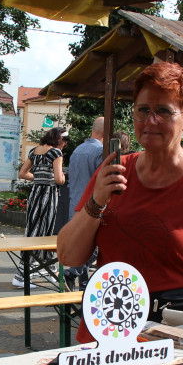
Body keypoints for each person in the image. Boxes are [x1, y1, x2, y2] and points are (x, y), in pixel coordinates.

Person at [57, 62, 183, 340]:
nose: (150, 121)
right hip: (108, 323)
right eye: (143, 110)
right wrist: (97, 200)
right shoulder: (114, 171)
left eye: (164, 111)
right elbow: (68, 256)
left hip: (173, 332)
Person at [13, 127, 66, 288]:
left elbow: (22, 173)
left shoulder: (34, 151)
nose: (66, 144)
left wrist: (39, 178)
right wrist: (63, 178)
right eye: (65, 140)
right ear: (59, 139)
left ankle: (50, 271)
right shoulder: (56, 153)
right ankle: (22, 276)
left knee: (34, 229)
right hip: (48, 196)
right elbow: (58, 179)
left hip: (35, 194)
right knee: (43, 232)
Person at [64, 118, 105, 290]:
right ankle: (72, 272)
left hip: (75, 204)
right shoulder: (100, 151)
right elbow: (102, 182)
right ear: (105, 132)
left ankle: (83, 285)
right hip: (92, 207)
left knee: (84, 246)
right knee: (94, 248)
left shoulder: (78, 150)